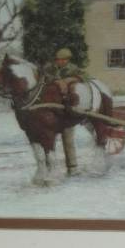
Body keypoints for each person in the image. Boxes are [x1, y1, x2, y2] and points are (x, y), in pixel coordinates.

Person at [42, 48, 86, 176]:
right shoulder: (51, 68)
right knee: (50, 139)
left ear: (67, 60)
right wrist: (56, 80)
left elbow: (84, 76)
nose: (59, 62)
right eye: (58, 59)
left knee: (68, 139)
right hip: (52, 108)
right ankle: (51, 168)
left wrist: (70, 79)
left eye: (62, 60)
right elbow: (44, 76)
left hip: (67, 109)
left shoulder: (73, 69)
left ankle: (72, 167)